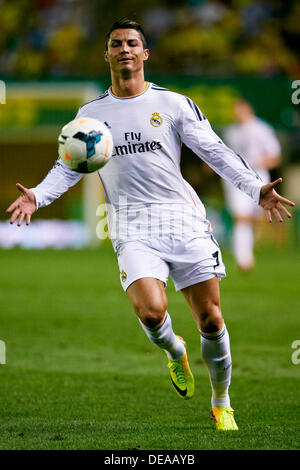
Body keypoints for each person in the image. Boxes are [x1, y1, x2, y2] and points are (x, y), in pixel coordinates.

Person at [6, 18, 295, 431]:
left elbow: (215, 151)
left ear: (145, 54)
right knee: (152, 313)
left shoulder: (174, 104)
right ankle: (175, 351)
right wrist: (37, 194)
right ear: (107, 55)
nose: (124, 49)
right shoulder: (91, 114)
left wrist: (255, 188)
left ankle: (221, 402)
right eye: (116, 44)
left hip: (183, 221)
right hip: (131, 227)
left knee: (211, 319)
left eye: (132, 43)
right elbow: (69, 167)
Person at [222, 99, 282, 271]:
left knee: (254, 218)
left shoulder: (262, 130)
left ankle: (245, 248)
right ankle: (244, 258)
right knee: (241, 216)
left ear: (248, 110)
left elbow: (275, 156)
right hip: (236, 179)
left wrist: (256, 162)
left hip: (258, 176)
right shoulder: (231, 132)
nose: (237, 114)